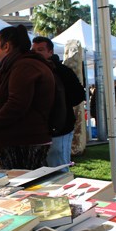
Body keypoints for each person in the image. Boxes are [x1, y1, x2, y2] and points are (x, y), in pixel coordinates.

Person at [0, 26, 53, 170]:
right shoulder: (18, 65)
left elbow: (17, 104)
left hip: (23, 141)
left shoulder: (23, 65)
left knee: (22, 186)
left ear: (7, 46)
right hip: (19, 139)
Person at [31, 36, 84, 172]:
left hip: (60, 129)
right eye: (34, 49)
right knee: (43, 171)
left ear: (50, 52)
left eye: (40, 49)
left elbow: (78, 95)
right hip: (39, 129)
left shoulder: (62, 71)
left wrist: (60, 105)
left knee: (59, 168)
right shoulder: (31, 70)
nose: (36, 52)